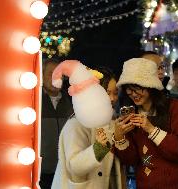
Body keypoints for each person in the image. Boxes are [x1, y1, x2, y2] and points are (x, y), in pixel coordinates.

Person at [113, 58, 178, 189]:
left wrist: (151, 129)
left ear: (150, 86)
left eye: (137, 88)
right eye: (128, 89)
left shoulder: (174, 107)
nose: (133, 94)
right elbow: (131, 160)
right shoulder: (131, 114)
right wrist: (120, 138)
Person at [51, 60, 125, 189]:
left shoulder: (113, 121)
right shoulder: (76, 123)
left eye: (115, 93)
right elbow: (74, 166)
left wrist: (121, 138)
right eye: (108, 92)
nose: (113, 98)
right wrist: (98, 149)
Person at [39, 58, 74, 189]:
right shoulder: (35, 102)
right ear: (41, 76)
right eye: (50, 73)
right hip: (41, 173)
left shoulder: (71, 103)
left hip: (66, 171)